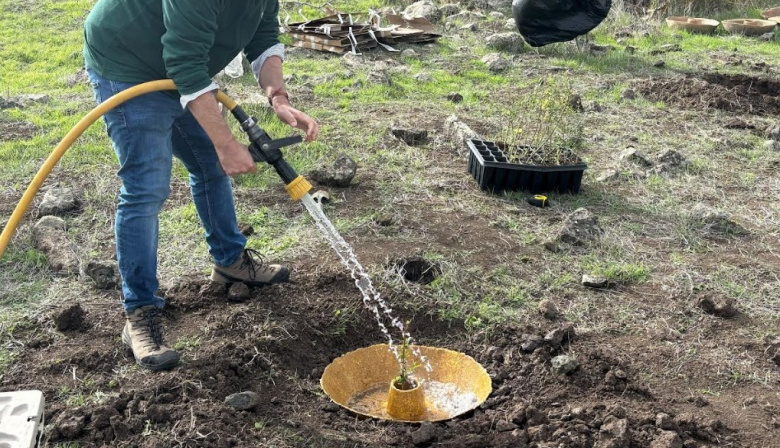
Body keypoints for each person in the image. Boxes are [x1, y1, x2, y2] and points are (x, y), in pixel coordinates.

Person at [83, 0, 319, 372]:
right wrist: (226, 144)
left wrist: (278, 97)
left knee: (209, 166)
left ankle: (230, 262)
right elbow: (187, 66)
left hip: (182, 63)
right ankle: (140, 310)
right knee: (147, 187)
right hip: (127, 61)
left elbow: (262, 33)